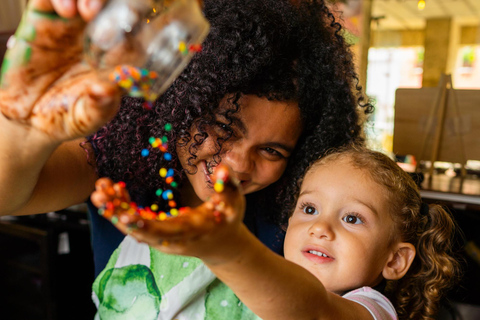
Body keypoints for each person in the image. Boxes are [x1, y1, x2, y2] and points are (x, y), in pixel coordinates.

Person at [0, 0, 371, 315]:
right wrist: (27, 130)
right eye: (224, 127)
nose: (238, 164)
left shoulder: (308, 217)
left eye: (272, 150)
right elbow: (9, 196)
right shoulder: (122, 160)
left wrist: (227, 249)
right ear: (181, 106)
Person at [95, 144, 462, 320]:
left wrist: (228, 248)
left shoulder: (372, 310)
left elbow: (313, 310)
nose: (320, 227)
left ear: (394, 259)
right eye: (309, 208)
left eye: (352, 218)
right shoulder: (263, 290)